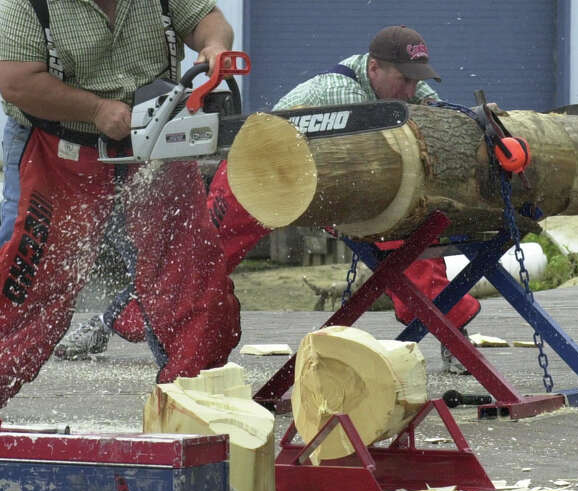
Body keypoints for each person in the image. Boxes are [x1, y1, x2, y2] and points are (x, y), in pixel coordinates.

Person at [0, 0, 241, 421]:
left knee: (186, 261)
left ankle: (193, 391)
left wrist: (212, 48)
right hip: (59, 145)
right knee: (30, 268)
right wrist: (96, 109)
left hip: (151, 137)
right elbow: (16, 83)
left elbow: (209, 20)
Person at [57, 25, 482, 374]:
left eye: (416, 81)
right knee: (197, 263)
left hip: (332, 182)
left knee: (408, 235)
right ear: (375, 69)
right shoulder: (338, 93)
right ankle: (109, 321)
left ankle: (451, 331)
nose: (411, 90)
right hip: (258, 171)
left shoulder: (400, 89)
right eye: (404, 80)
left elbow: (435, 112)